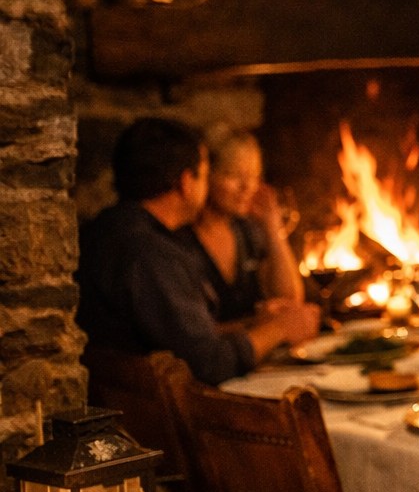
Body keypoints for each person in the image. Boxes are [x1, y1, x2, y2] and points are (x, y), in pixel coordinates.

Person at [77, 118, 319, 386]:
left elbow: (185, 334)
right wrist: (280, 328)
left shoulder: (102, 230)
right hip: (150, 414)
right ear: (186, 182)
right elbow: (209, 363)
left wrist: (255, 323)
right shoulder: (154, 253)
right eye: (205, 175)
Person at [182, 130, 304, 322]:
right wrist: (257, 323)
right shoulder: (180, 241)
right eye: (233, 175)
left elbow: (289, 301)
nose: (247, 186)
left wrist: (272, 228)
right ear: (206, 175)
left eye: (253, 176)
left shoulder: (247, 232)